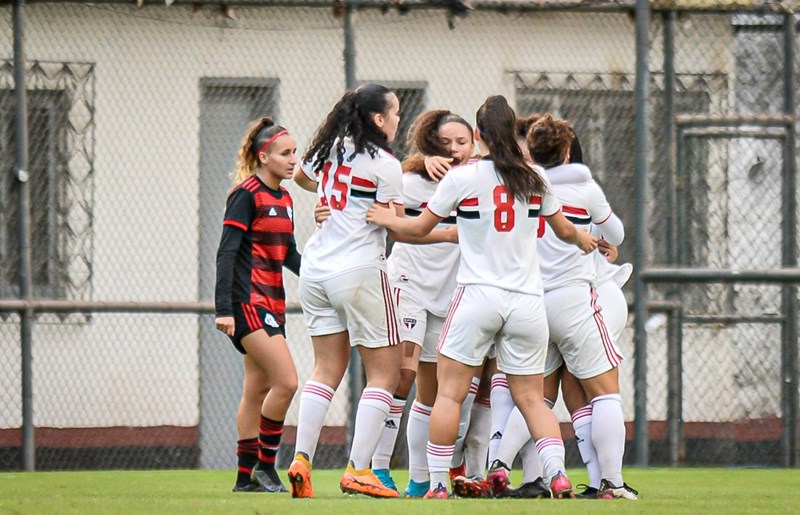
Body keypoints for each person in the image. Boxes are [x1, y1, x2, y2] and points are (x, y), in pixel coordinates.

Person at [367, 95, 597, 500]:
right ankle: (558, 474)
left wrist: (387, 218)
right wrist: (583, 238)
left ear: (477, 136)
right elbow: (563, 231)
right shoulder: (534, 178)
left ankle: (437, 483)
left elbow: (419, 229)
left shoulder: (463, 179)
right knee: (532, 398)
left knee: (450, 393)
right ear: (513, 134)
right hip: (527, 302)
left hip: (477, 297)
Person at [289, 84, 453, 499]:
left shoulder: (331, 145)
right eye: (394, 112)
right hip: (358, 270)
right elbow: (400, 227)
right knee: (386, 372)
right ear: (378, 120)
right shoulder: (384, 163)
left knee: (324, 370)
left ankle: (301, 460)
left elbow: (300, 177)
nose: (398, 119)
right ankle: (359, 469)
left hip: (316, 269)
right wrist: (453, 233)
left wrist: (331, 203)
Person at [487, 114, 638, 501]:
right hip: (573, 299)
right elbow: (616, 233)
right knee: (605, 393)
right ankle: (613, 483)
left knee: (537, 396)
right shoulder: (584, 187)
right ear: (569, 149)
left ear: (530, 151)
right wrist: (599, 234)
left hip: (530, 303)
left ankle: (498, 465)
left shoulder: (518, 185)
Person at [369, 110, 478, 498]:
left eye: (461, 142)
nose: (453, 150)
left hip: (449, 294)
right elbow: (391, 222)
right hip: (408, 281)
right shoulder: (409, 178)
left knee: (434, 393)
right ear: (428, 144)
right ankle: (376, 468)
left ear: (475, 143)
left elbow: (509, 169)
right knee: (403, 373)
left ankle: (419, 479)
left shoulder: (476, 180)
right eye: (444, 143)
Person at [214, 117, 302, 494]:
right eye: (285, 153)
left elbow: (291, 255)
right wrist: (223, 308)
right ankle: (266, 468)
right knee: (287, 381)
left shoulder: (285, 198)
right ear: (263, 156)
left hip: (273, 304)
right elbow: (227, 253)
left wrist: (329, 271)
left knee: (256, 390)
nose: (293, 159)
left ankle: (243, 477)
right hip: (247, 303)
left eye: (295, 152)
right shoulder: (245, 194)